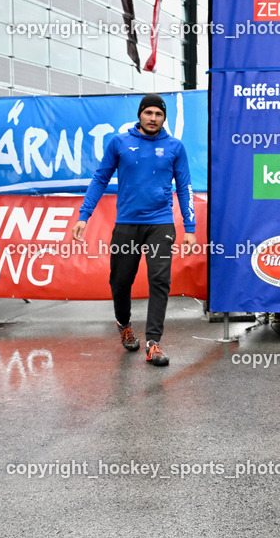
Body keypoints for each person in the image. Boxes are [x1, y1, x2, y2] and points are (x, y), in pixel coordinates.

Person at [72, 94, 196, 366]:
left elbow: (184, 187)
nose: (153, 118)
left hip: (160, 223)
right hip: (127, 223)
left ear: (165, 118)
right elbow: (100, 178)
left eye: (159, 114)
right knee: (120, 281)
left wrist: (189, 227)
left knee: (159, 281)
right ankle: (124, 324)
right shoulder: (119, 142)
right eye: (149, 112)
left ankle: (154, 343)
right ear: (140, 115)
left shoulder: (175, 147)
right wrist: (85, 215)